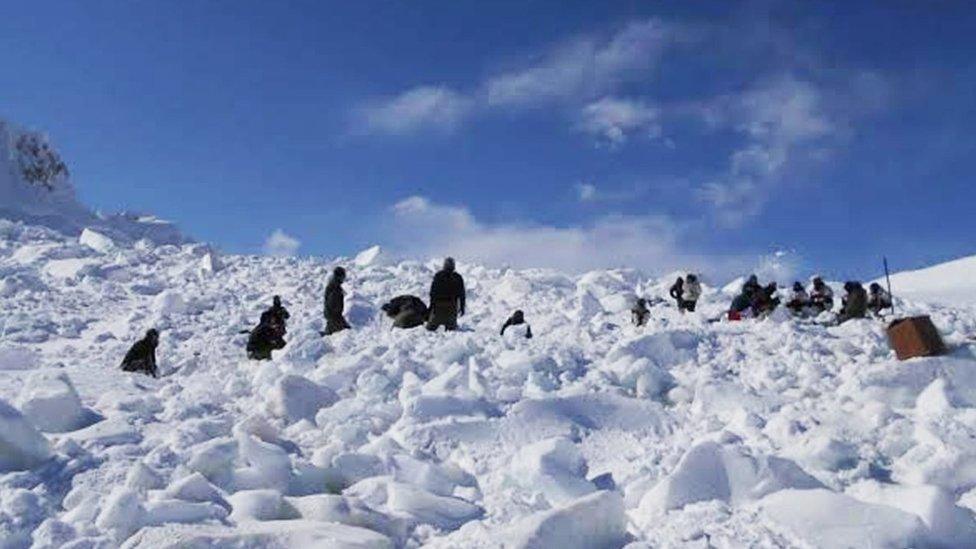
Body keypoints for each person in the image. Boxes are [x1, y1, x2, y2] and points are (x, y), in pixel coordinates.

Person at [427, 257, 466, 332]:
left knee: (429, 331)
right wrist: (462, 307)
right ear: (453, 266)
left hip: (438, 309)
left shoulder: (438, 276)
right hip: (451, 309)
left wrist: (431, 307)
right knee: (452, 331)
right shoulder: (458, 277)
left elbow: (432, 293)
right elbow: (462, 295)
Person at [324, 266, 351, 335]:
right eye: (343, 276)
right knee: (344, 333)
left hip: (334, 316)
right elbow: (332, 303)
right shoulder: (335, 288)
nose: (344, 278)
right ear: (339, 276)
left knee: (331, 333)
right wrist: (336, 316)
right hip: (334, 316)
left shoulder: (334, 285)